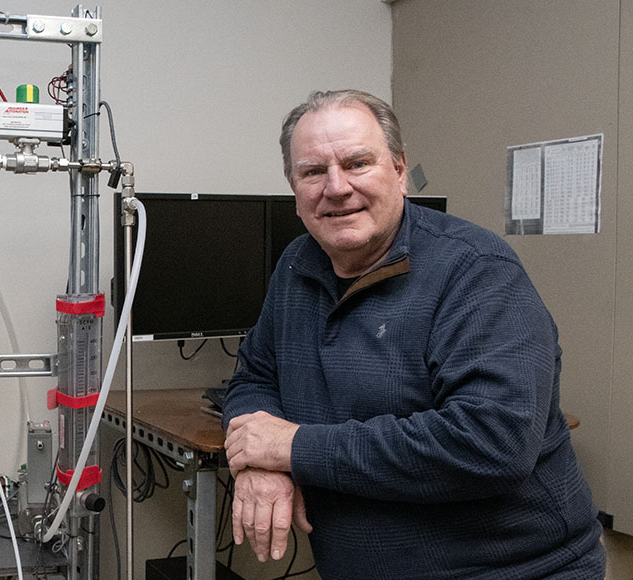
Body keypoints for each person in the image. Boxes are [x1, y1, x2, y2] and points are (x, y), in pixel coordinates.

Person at [222, 89, 605, 579]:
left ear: (400, 171)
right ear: (294, 188)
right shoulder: (298, 264)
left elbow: (491, 443)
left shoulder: (475, 271)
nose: (336, 188)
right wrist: (260, 464)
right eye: (313, 171)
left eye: (357, 163)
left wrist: (293, 448)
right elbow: (255, 377)